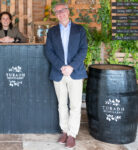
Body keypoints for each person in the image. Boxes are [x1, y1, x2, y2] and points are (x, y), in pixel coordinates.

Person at [45, 3, 88, 148]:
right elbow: (49, 52)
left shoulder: (79, 30)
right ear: (55, 15)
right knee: (62, 105)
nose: (60, 14)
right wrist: (61, 67)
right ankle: (64, 131)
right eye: (57, 12)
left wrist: (71, 67)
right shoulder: (52, 32)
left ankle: (72, 134)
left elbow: (83, 50)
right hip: (59, 73)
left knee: (75, 105)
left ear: (68, 12)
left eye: (62, 11)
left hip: (75, 72)